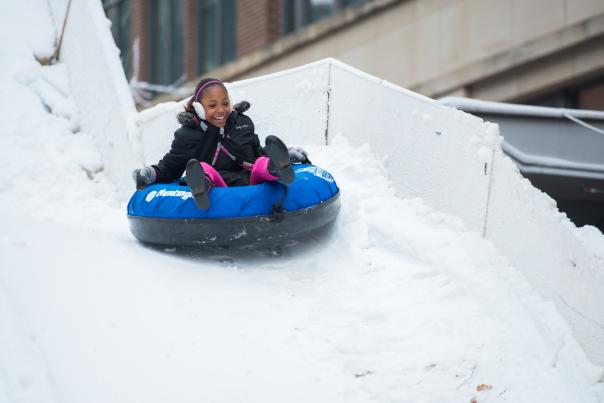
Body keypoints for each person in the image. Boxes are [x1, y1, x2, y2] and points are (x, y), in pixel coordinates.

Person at [132, 78, 309, 209]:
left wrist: (287, 155)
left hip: (249, 178)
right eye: (212, 105)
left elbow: (256, 152)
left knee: (260, 164)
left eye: (225, 104)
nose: (221, 110)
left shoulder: (242, 122)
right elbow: (170, 167)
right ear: (199, 109)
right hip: (220, 185)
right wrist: (150, 174)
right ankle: (201, 186)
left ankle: (277, 168)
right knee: (202, 168)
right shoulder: (188, 135)